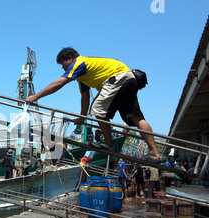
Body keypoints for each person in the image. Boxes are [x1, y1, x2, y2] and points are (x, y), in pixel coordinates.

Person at [25, 47, 161, 163]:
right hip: (127, 78)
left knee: (98, 109)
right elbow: (85, 97)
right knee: (134, 117)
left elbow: (59, 83)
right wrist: (82, 118)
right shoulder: (84, 75)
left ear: (71, 58)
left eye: (62, 63)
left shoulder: (79, 63)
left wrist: (36, 96)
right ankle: (154, 154)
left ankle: (108, 143)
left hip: (118, 78)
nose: (62, 67)